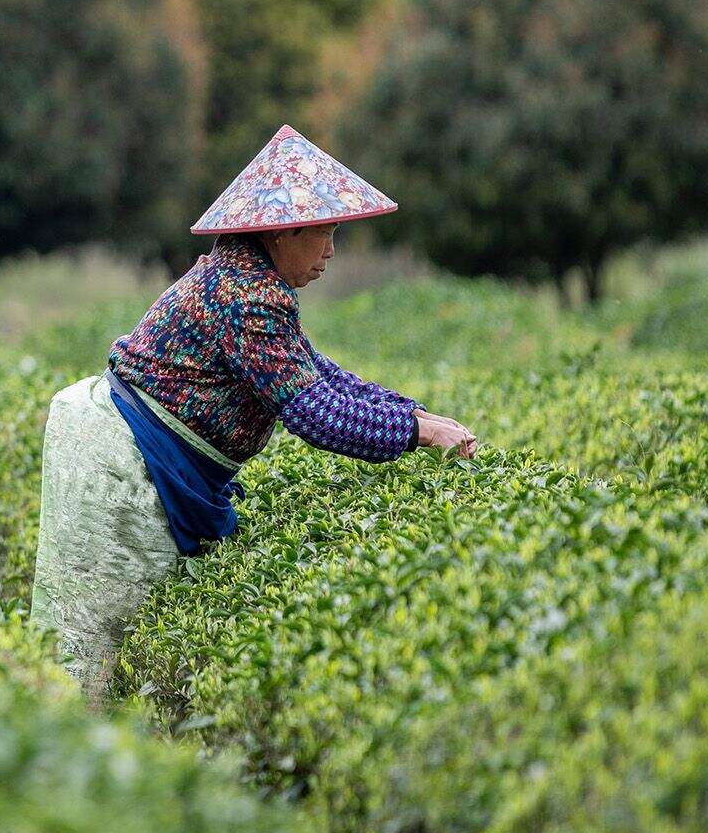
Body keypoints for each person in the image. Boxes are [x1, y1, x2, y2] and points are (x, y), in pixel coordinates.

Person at [29, 125, 478, 693]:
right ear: (286, 231)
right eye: (326, 233)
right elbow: (316, 413)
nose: (331, 252)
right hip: (119, 464)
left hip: (135, 453)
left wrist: (419, 416)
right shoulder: (246, 295)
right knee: (86, 657)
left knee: (111, 655)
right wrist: (416, 431)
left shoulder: (250, 280)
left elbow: (323, 375)